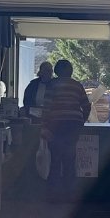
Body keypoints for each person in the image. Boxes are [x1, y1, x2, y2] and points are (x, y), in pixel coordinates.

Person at [41, 59, 91, 199]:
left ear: (56, 71)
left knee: (55, 160)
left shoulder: (52, 84)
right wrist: (81, 121)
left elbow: (46, 107)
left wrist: (44, 126)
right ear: (71, 71)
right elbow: (86, 106)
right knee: (69, 160)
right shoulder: (77, 85)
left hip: (56, 124)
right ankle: (70, 195)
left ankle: (54, 196)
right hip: (73, 125)